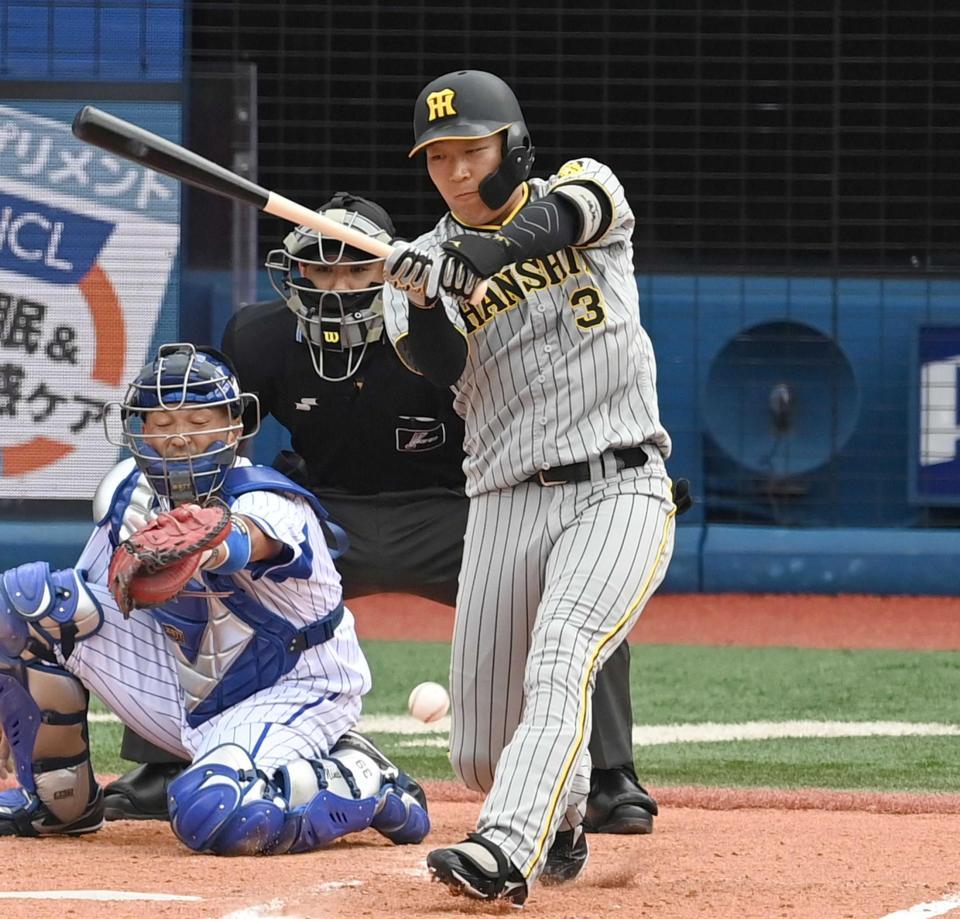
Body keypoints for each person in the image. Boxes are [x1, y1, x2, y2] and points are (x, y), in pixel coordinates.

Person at [106, 193, 660, 838]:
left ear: (390, 269)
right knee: (188, 574)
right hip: (321, 518)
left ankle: (611, 774)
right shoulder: (257, 335)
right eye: (322, 269)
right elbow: (226, 440)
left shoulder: (441, 322)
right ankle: (165, 762)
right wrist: (209, 518)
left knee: (577, 596)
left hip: (459, 512)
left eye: (357, 270)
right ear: (295, 271)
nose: (337, 285)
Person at [381, 71, 676, 903]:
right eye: (438, 159)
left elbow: (566, 217)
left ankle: (504, 847)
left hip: (620, 482)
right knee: (480, 752)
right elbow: (435, 360)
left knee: (564, 652)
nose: (456, 173)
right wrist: (427, 296)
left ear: (512, 147)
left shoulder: (587, 192)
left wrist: (487, 251)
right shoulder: (419, 274)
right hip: (505, 499)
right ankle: (565, 810)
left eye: (471, 151)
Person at [0, 343, 430, 854]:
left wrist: (211, 541)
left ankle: (364, 779)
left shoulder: (271, 499)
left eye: (198, 421)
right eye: (161, 424)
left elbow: (254, 539)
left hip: (291, 686)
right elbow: (74, 605)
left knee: (213, 812)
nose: (179, 438)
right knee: (24, 601)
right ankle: (61, 803)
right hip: (185, 687)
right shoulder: (128, 499)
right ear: (140, 433)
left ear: (232, 428)